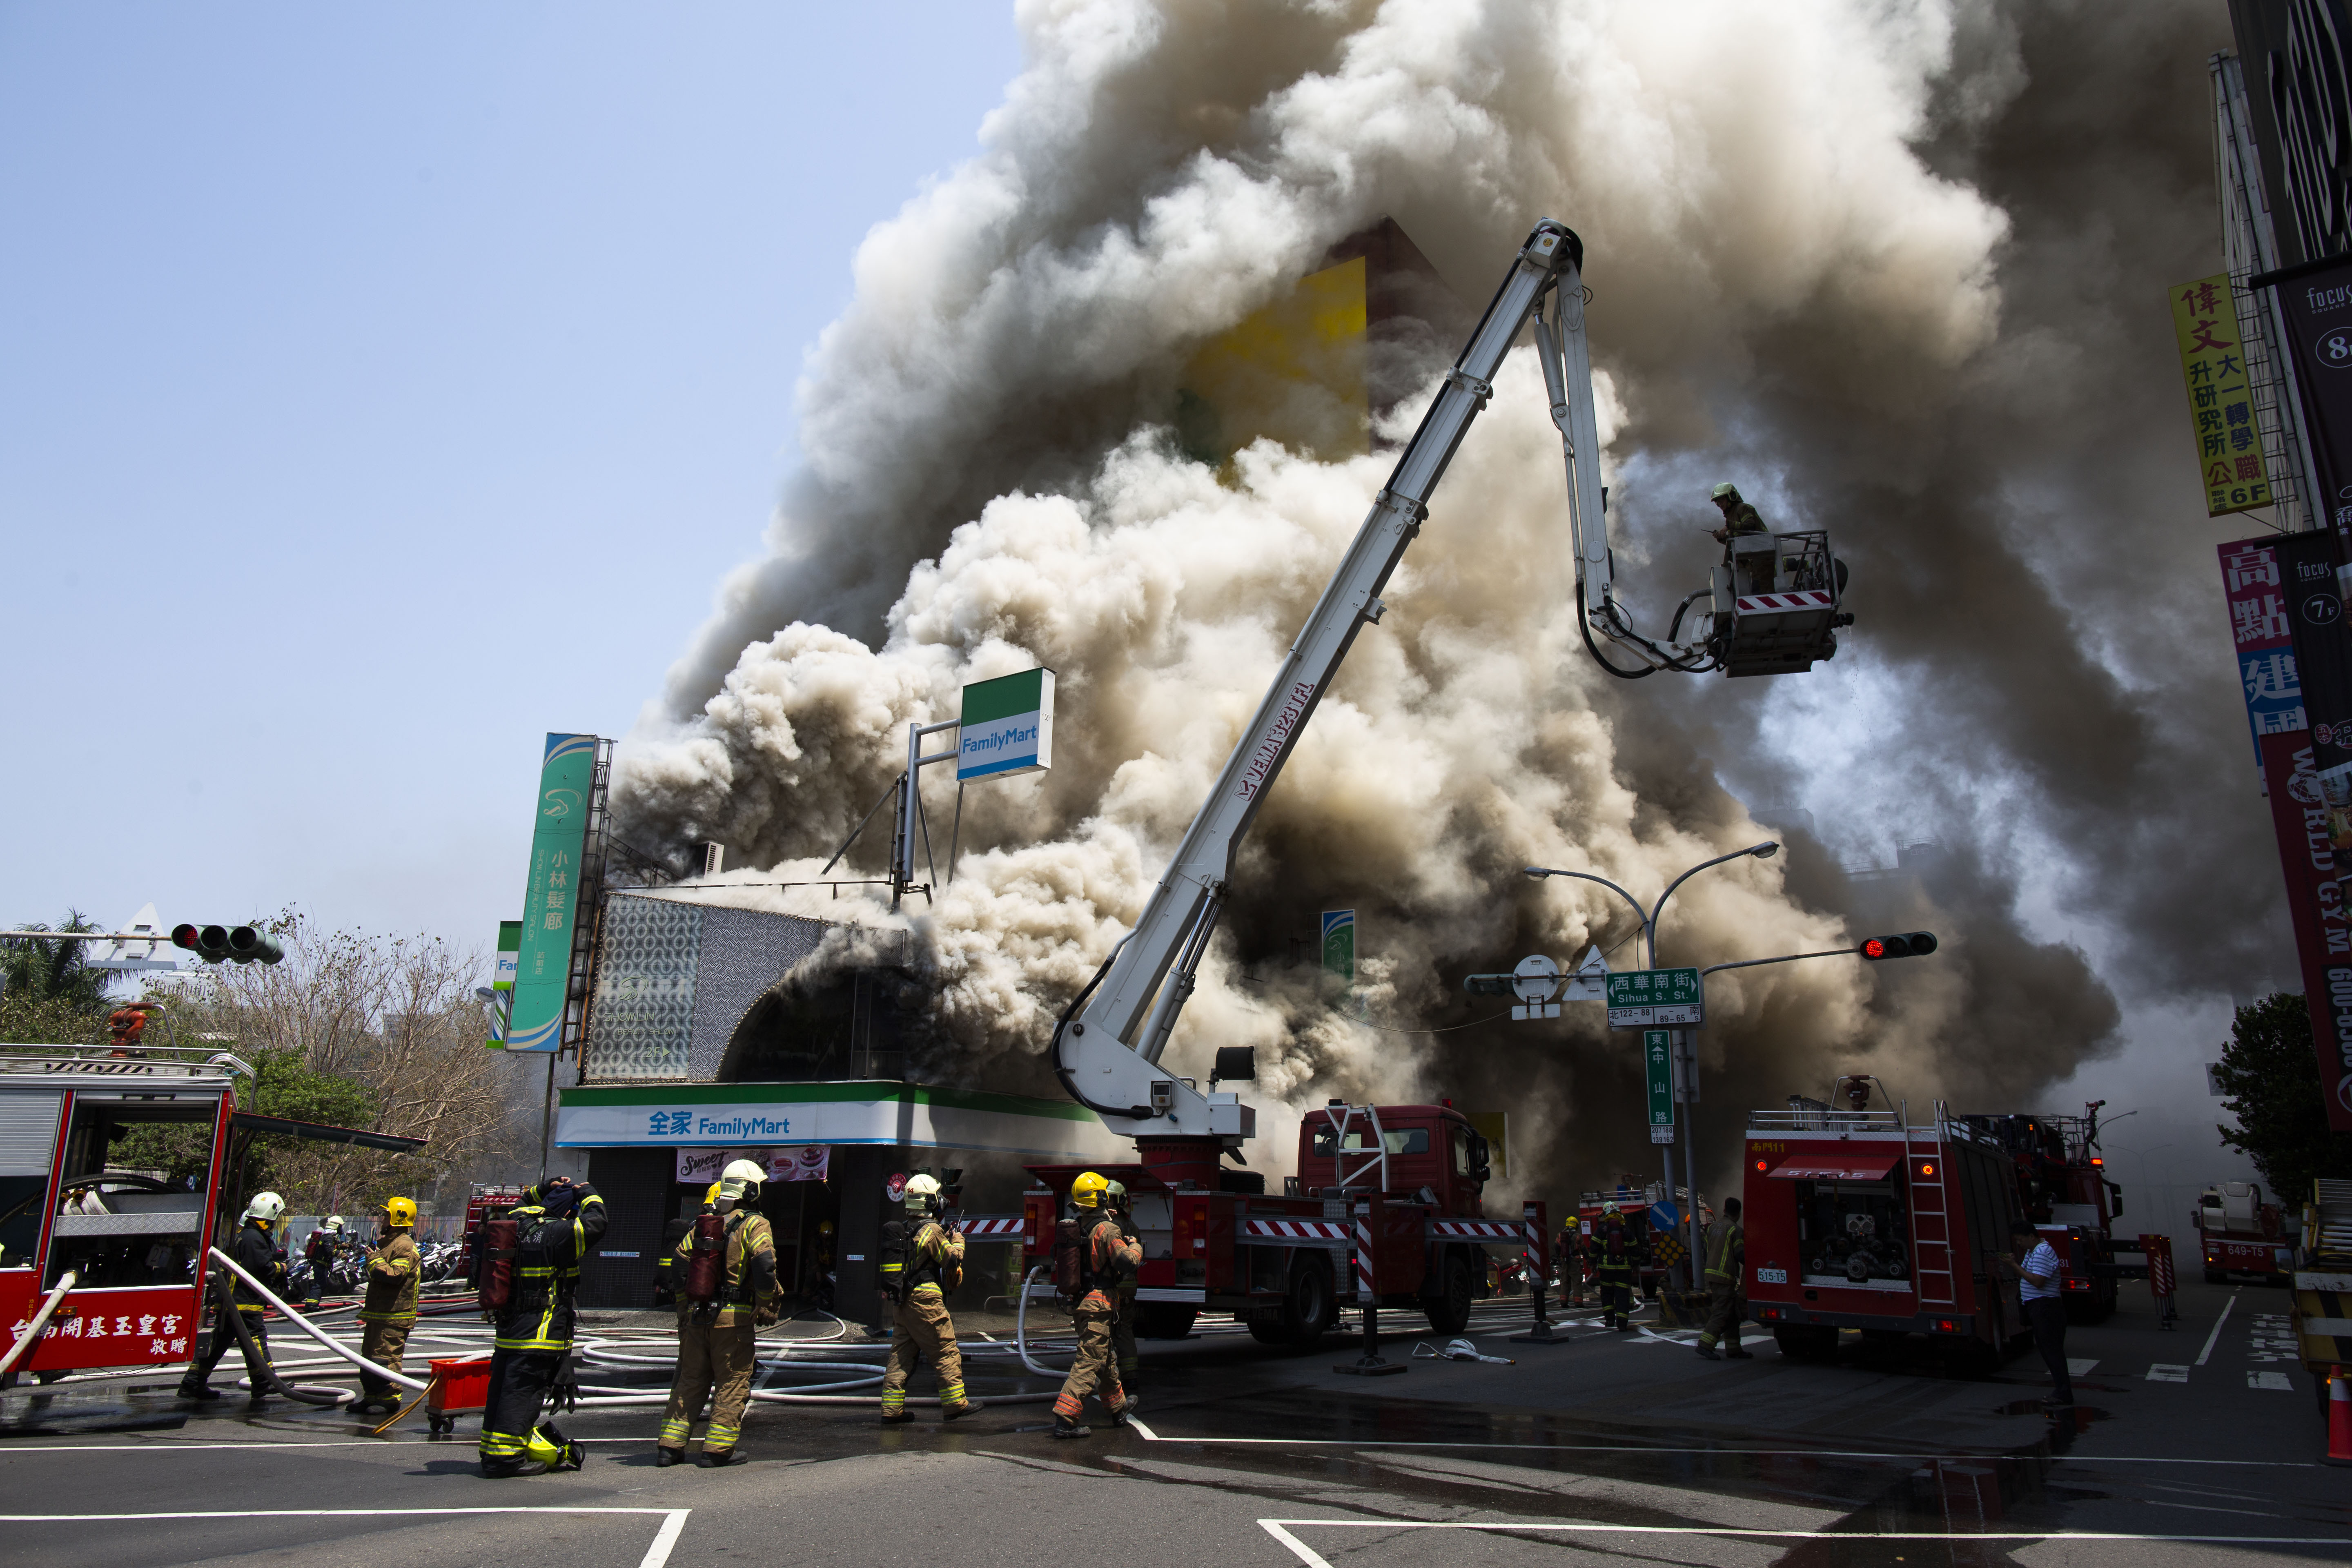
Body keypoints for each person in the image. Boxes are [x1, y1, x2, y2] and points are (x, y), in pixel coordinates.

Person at [479, 1176, 607, 1477]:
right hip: (539, 1330)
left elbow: (520, 1204)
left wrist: (546, 1188)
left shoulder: (515, 1226)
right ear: (565, 1213)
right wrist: (588, 1192)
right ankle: (505, 1459)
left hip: (509, 1329)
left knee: (501, 1391)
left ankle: (490, 1449)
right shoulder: (558, 1232)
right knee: (522, 1394)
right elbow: (596, 1223)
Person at [659, 1161, 778, 1467]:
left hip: (699, 1317)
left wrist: (685, 1305)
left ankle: (669, 1447)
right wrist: (766, 1303)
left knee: (691, 1379)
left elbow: (679, 1261)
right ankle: (718, 1450)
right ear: (752, 1190)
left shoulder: (707, 1225)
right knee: (733, 1382)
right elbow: (765, 1265)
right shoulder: (755, 1224)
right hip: (733, 1321)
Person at [879, 1173, 982, 1423]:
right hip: (925, 1302)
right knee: (946, 1350)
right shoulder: (932, 1230)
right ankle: (955, 1404)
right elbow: (952, 1260)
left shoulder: (905, 1230)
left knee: (901, 1356)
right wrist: (958, 1241)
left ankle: (891, 1411)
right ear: (929, 1201)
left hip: (902, 1303)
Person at [1050, 1172, 1140, 1439]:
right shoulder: (1108, 1229)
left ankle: (1118, 1408)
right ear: (1101, 1198)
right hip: (1099, 1304)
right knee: (1090, 1360)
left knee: (1107, 1358)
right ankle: (1066, 1420)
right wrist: (1136, 1246)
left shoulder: (1081, 1226)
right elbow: (1127, 1263)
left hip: (1083, 1303)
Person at [180, 1191, 289, 1405]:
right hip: (244, 1301)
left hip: (231, 1301)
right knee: (256, 1339)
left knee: (218, 1344)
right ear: (271, 1215)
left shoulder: (246, 1235)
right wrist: (281, 1268)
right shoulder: (254, 1237)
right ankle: (264, 1381)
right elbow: (260, 1268)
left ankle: (192, 1382)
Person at [350, 1198, 420, 1416]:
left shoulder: (404, 1245)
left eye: (385, 1215)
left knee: (386, 1358)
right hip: (380, 1314)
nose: (382, 1219)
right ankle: (372, 1397)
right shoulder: (391, 1242)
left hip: (394, 1316)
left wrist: (374, 1262)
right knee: (369, 1358)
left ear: (396, 1219)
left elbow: (396, 1275)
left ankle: (389, 1399)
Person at [2004, 1220, 2073, 1407]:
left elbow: (2038, 1281)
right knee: (2048, 1350)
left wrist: (2014, 1266)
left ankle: (2063, 1392)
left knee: (2052, 1351)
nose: (2019, 1244)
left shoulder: (2042, 1252)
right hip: (2041, 1307)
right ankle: (2061, 1390)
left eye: (2020, 1240)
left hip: (2046, 1308)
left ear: (2031, 1237)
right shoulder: (2033, 1251)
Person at [1695, 1196, 1750, 1361]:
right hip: (1725, 1276)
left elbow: (1708, 1249)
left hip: (1712, 1274)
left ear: (1725, 1210)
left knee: (1732, 1313)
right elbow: (1740, 1254)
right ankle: (1705, 1346)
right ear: (1738, 1213)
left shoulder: (1713, 1227)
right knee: (1722, 1312)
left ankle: (1734, 1348)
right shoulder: (1736, 1230)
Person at [653, 1183, 721, 1308]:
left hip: (697, 1298)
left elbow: (680, 1262)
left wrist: (682, 1300)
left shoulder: (698, 1226)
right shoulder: (737, 1226)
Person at [1105, 1180, 1143, 1395]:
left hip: (1113, 1285)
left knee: (1106, 1333)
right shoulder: (1132, 1225)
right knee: (1125, 1332)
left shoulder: (1110, 1226)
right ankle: (1131, 1378)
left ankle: (1107, 1379)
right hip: (1129, 1288)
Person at [1707, 482, 1775, 593]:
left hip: (1763, 552)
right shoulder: (1732, 515)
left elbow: (1750, 526)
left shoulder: (1742, 508)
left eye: (1721, 500)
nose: (1719, 504)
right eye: (1717, 502)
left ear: (1732, 496)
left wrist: (1729, 526)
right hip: (1756, 556)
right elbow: (1738, 540)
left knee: (1759, 591)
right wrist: (1723, 538)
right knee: (1761, 589)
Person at [1593, 1201, 1636, 1332]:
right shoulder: (1626, 1230)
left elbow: (1594, 1248)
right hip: (1623, 1269)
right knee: (1622, 1295)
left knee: (1607, 1294)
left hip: (1606, 1269)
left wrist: (1592, 1263)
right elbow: (1635, 1249)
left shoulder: (1602, 1230)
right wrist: (1636, 1264)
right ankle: (1622, 1324)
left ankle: (1610, 1320)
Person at [301, 1215, 343, 1312]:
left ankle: (313, 1304)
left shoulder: (329, 1237)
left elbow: (333, 1246)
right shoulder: (328, 1237)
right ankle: (311, 1305)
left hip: (322, 1265)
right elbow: (330, 1250)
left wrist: (342, 1246)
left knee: (321, 1284)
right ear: (336, 1226)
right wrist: (340, 1254)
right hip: (320, 1265)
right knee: (319, 1284)